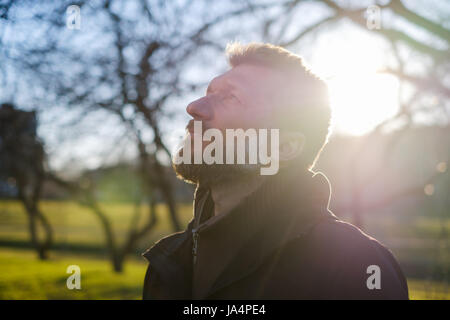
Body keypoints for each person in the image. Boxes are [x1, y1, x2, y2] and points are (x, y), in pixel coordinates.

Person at [142, 42, 409, 299]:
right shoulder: (167, 263)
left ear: (285, 146)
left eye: (231, 97)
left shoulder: (357, 265)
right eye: (208, 92)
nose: (194, 107)